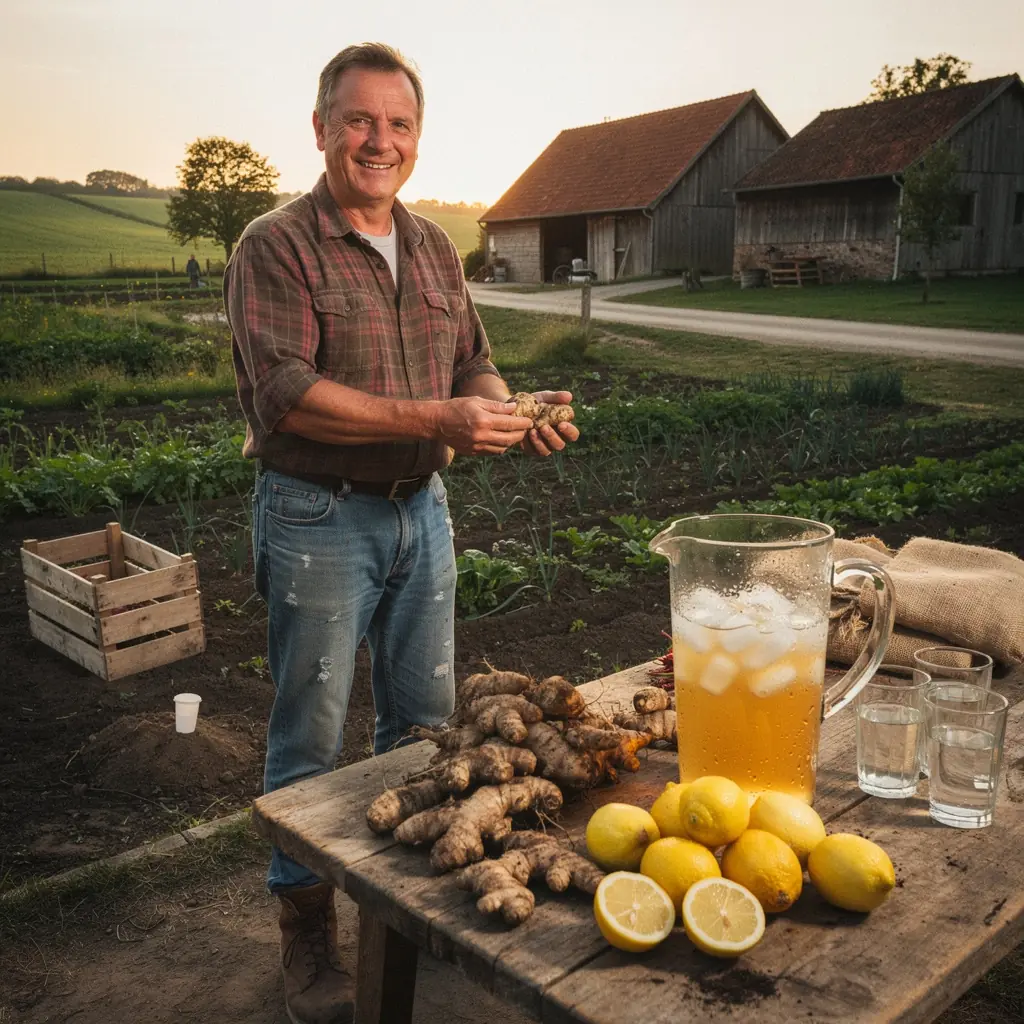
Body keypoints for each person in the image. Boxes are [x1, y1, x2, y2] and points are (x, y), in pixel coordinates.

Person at [224, 42, 578, 1024]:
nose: (379, 141)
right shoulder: (274, 245)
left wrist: (509, 411)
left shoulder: (430, 246)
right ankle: (307, 934)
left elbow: (472, 360)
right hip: (319, 514)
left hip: (422, 510)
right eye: (359, 120)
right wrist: (439, 417)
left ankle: (411, 919)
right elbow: (286, 393)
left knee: (427, 731)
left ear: (417, 137)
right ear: (321, 129)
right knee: (310, 737)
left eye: (399, 124)